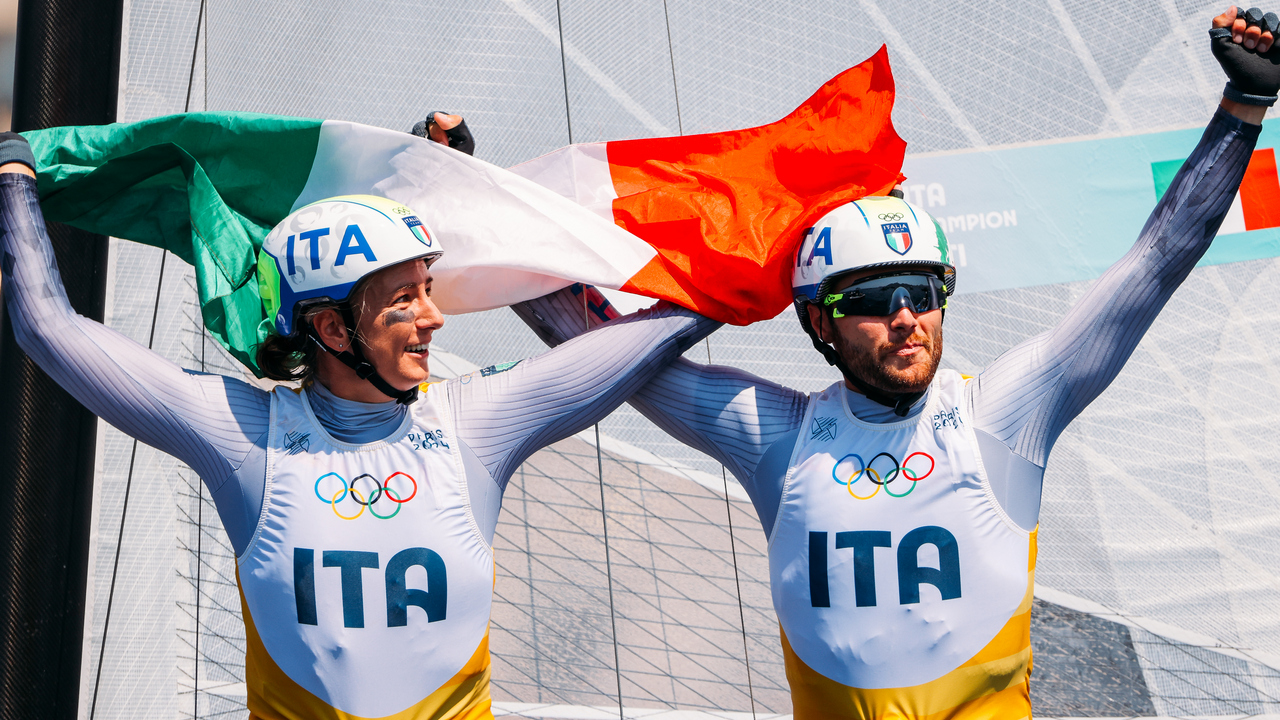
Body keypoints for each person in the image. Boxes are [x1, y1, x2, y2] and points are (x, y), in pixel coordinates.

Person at [513, 7, 1279, 718]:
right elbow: (598, 356)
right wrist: (487, 232)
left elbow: (1154, 264)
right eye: (876, 299)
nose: (907, 317)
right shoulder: (774, 435)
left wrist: (1242, 108)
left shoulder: (1008, 410)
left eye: (923, 290)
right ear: (819, 321)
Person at [0, 130, 717, 716]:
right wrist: (13, 173)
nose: (435, 317)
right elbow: (47, 327)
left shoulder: (476, 423)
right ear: (332, 330)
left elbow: (661, 328)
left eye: (428, 290)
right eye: (405, 299)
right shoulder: (245, 437)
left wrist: (470, 200)